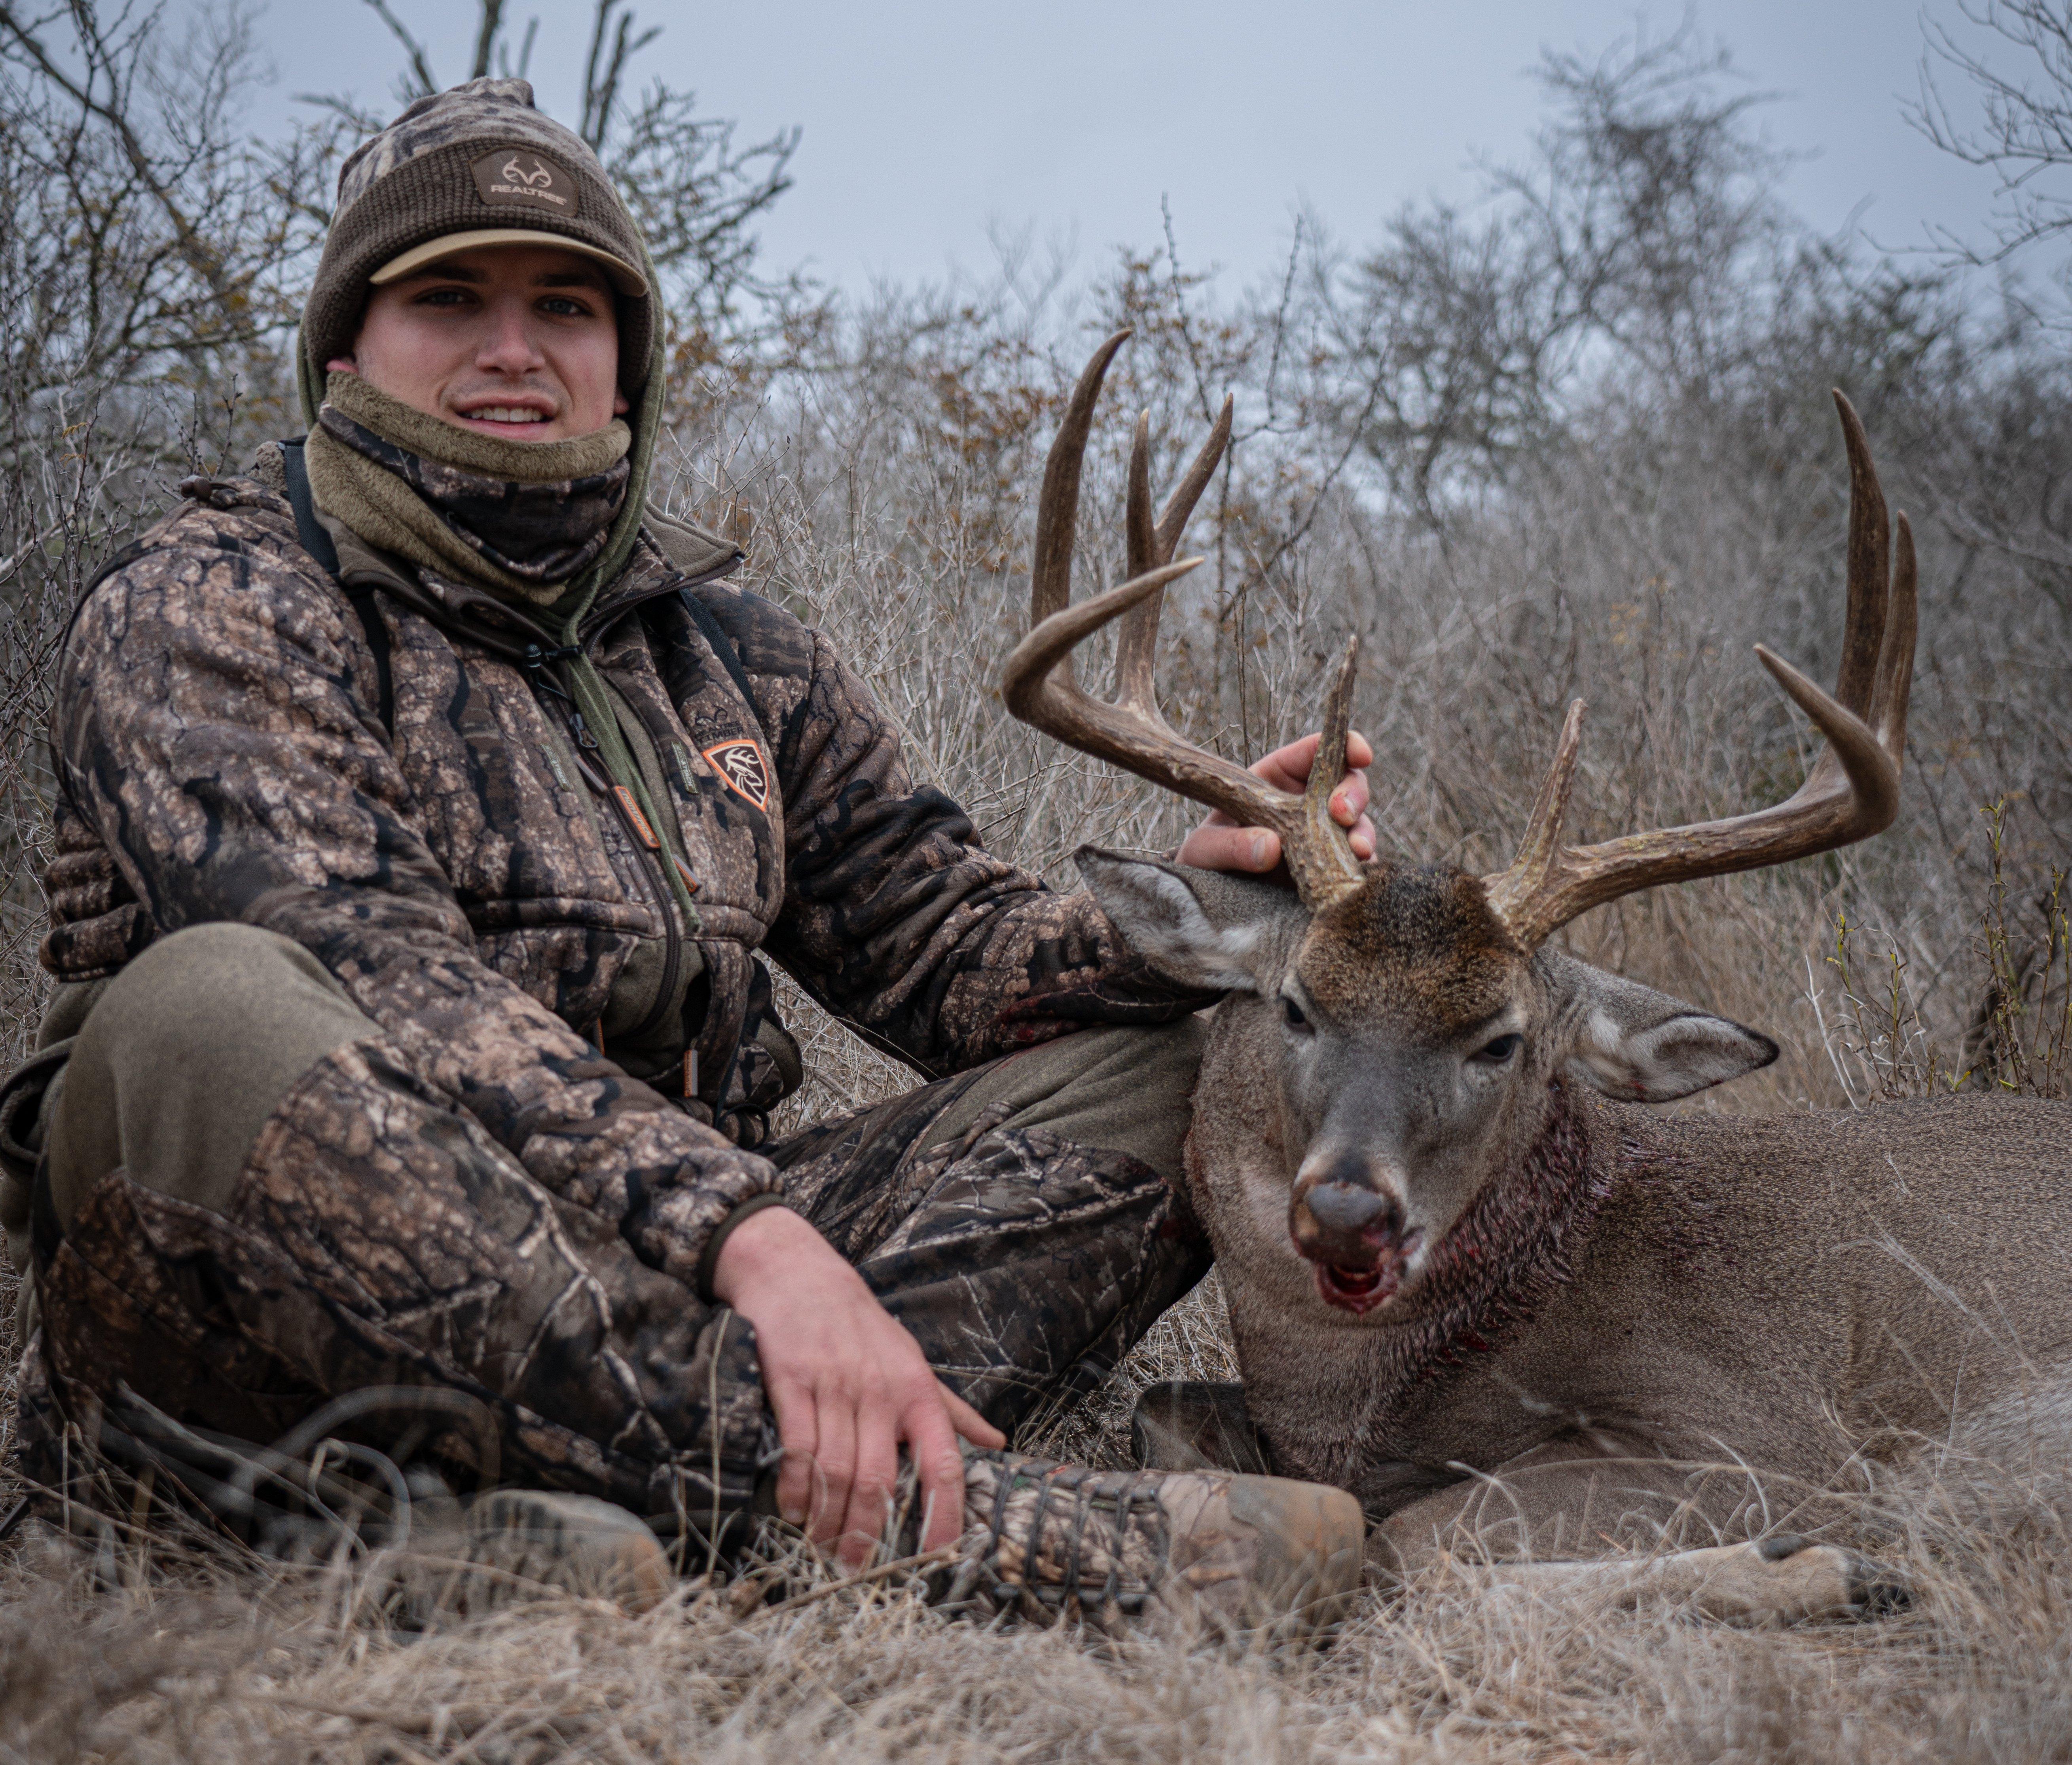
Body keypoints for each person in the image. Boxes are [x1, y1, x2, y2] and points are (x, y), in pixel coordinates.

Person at [0, 79, 1372, 1623]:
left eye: (565, 306)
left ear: (624, 364)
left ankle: (572, 1525)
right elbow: (373, 972)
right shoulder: (211, 597)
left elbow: (952, 957)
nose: (512, 348)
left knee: (1199, 1051)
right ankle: (951, 1527)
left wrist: (1183, 910)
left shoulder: (726, 648)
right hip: (269, 1351)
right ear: (344, 348)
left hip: (668, 1282)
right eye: (447, 297)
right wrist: (751, 1232)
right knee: (211, 1004)